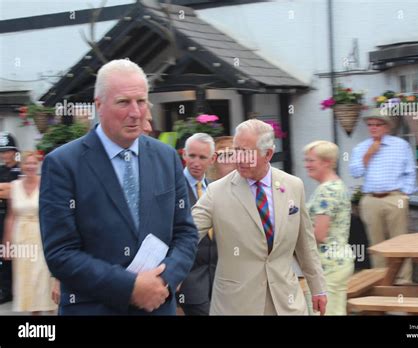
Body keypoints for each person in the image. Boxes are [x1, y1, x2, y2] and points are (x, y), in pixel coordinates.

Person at [39, 59, 198, 315]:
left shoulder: (166, 157)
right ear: (98, 106)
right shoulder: (63, 164)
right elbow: (61, 254)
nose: (136, 112)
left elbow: (186, 233)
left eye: (142, 101)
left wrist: (163, 280)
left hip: (157, 306)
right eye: (124, 102)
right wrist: (130, 287)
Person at [192, 119, 327, 315]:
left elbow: (306, 244)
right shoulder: (216, 192)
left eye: (246, 152)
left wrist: (318, 288)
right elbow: (188, 235)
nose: (238, 158)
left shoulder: (293, 186)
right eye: (236, 150)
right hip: (236, 306)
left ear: (268, 154)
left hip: (286, 303)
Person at [349, 108, 416, 284]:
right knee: (375, 243)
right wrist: (369, 153)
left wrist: (405, 195)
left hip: (395, 197)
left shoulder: (400, 145)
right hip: (371, 199)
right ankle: (380, 280)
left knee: (399, 240)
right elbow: (355, 173)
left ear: (387, 127)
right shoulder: (361, 147)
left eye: (378, 124)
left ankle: (403, 281)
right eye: (370, 125)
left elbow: (410, 172)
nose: (373, 128)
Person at [3, 151, 57, 314]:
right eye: (27, 163)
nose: (31, 166)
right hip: (21, 237)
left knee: (43, 276)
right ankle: (34, 317)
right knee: (26, 277)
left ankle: (51, 310)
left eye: (34, 163)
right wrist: (6, 244)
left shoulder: (45, 184)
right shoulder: (15, 186)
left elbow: (52, 213)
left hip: (41, 235)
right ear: (22, 165)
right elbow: (10, 216)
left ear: (38, 165)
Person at [304, 140, 354, 315]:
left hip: (328, 265)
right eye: (306, 160)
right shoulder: (338, 185)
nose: (306, 165)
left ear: (326, 162)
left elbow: (319, 234)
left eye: (311, 160)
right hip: (339, 261)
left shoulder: (327, 191)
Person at [177, 133, 217, 315]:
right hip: (189, 278)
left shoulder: (216, 189)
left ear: (212, 159)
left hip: (217, 278)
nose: (196, 162)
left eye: (202, 157)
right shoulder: (173, 188)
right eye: (192, 156)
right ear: (183, 154)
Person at [0, 132, 21, 304]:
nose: (4, 155)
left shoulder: (21, 170)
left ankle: (13, 290)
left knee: (14, 254)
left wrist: (7, 190)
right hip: (1, 215)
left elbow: (16, 191)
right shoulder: (0, 170)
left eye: (7, 151)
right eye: (1, 151)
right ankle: (5, 290)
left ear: (14, 151)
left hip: (16, 217)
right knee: (3, 255)